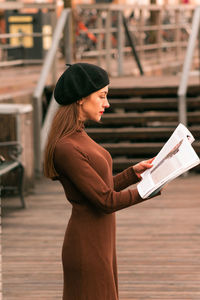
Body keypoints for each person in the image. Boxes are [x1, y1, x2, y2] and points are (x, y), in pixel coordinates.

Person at [43, 63, 161, 300]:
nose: (107, 103)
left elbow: (99, 189)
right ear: (80, 98)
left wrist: (132, 173)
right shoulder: (67, 146)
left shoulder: (78, 134)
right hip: (87, 245)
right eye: (102, 96)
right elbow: (105, 201)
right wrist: (149, 187)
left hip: (100, 241)